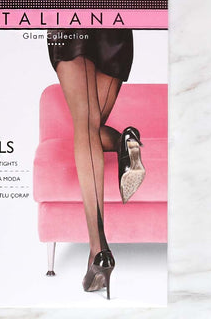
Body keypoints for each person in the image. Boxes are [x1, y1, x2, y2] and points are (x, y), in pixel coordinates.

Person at [47, 28, 146, 299]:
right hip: (114, 30)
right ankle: (124, 142)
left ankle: (98, 249)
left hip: (72, 20)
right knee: (90, 127)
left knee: (85, 125)